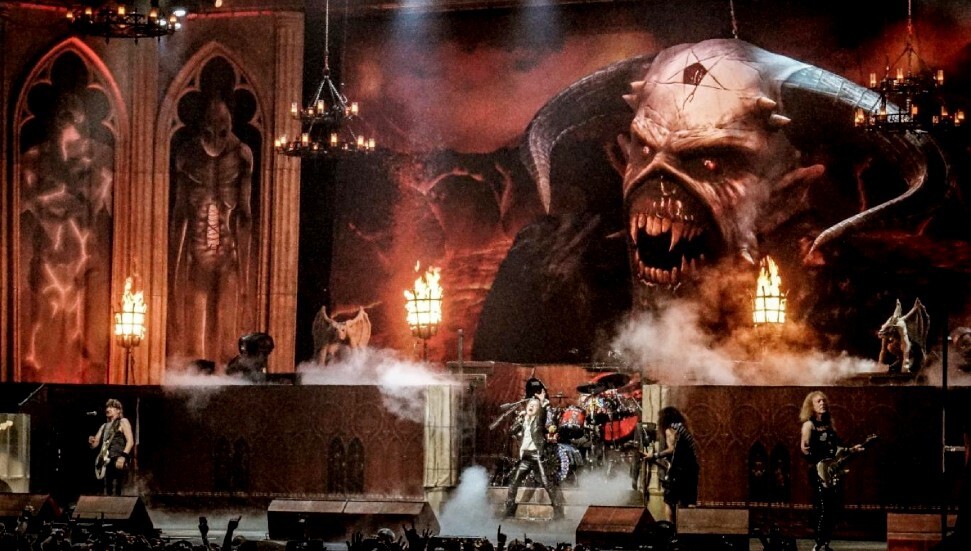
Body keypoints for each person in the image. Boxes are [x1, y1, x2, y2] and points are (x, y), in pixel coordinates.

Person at [800, 391, 861, 551]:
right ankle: (819, 544)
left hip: (832, 471)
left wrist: (851, 449)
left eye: (824, 401)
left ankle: (826, 542)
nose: (822, 403)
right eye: (818, 401)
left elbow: (838, 447)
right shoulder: (809, 425)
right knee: (822, 508)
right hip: (819, 471)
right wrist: (821, 462)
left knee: (833, 508)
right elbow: (805, 450)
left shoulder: (829, 425)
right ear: (811, 406)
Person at [503, 390, 564, 520]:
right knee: (514, 482)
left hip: (537, 456)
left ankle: (559, 513)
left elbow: (543, 413)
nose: (531, 406)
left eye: (534, 406)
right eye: (529, 405)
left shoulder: (538, 420)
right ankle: (509, 511)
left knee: (547, 483)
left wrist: (542, 402)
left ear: (538, 410)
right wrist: (520, 419)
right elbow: (511, 431)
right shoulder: (524, 421)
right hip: (525, 457)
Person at [645, 406, 699, 525]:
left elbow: (672, 449)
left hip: (678, 470)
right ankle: (688, 528)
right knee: (688, 501)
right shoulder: (684, 428)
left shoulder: (670, 429)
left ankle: (670, 528)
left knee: (669, 501)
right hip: (692, 469)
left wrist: (655, 455)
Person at [88, 399, 133, 495]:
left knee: (118, 490)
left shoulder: (123, 421)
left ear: (118, 410)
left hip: (118, 459)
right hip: (106, 461)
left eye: (111, 407)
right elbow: (94, 445)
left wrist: (123, 457)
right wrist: (91, 442)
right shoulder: (104, 426)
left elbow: (130, 441)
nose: (108, 409)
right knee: (108, 492)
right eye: (107, 407)